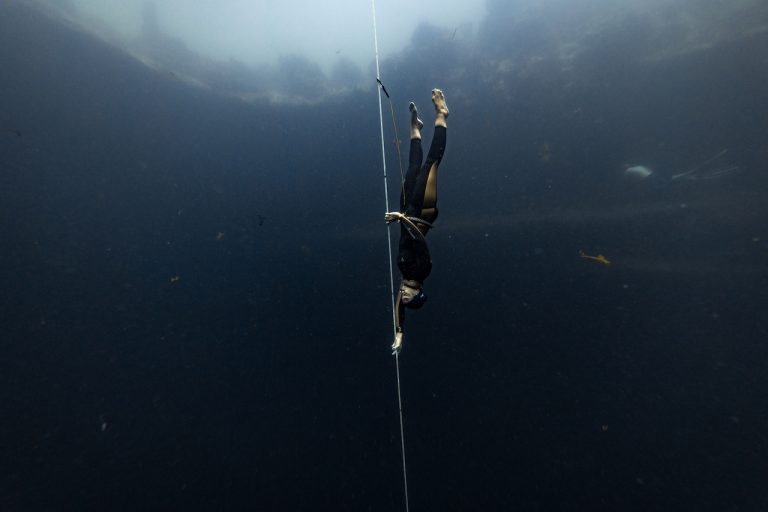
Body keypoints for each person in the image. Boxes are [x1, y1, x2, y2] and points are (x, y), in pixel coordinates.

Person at [385, 89, 449, 354]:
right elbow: (420, 240)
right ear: (418, 292)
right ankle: (441, 115)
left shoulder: (405, 281)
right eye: (409, 297)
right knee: (430, 164)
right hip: (422, 212)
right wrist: (402, 218)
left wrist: (399, 334)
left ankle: (415, 129)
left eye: (405, 298)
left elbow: (399, 307)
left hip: (405, 212)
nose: (403, 296)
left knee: (412, 168)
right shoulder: (422, 271)